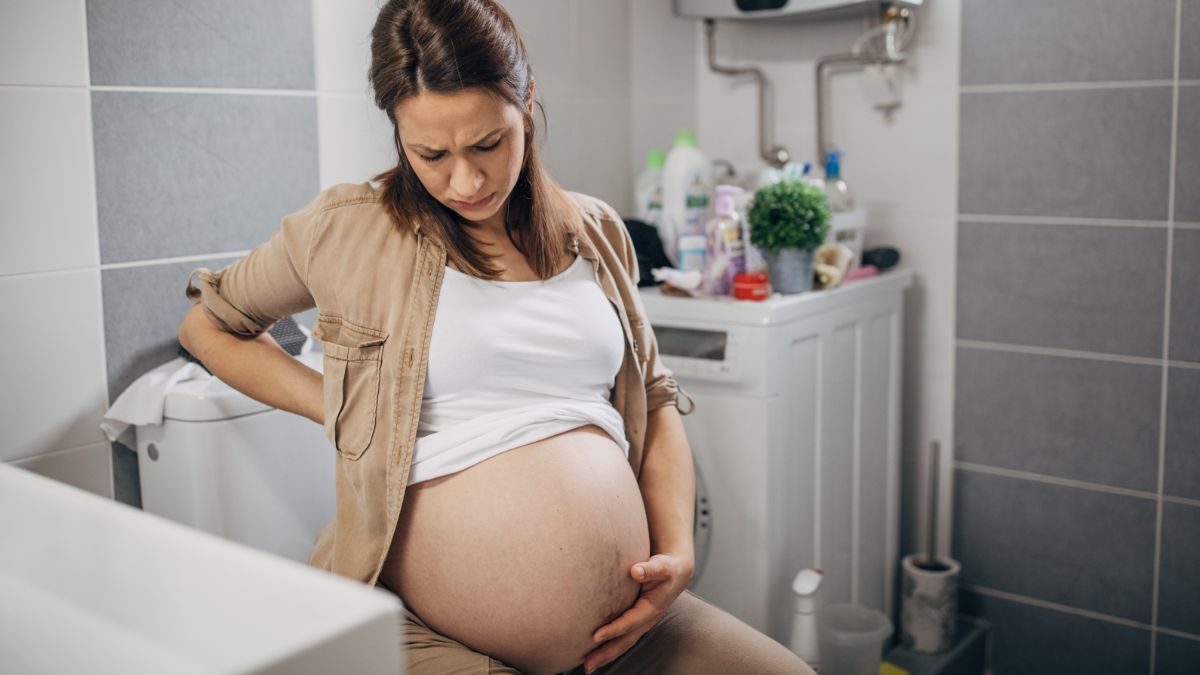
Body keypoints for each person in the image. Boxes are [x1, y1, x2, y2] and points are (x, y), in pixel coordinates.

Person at [178, 1, 813, 673]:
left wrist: (678, 551)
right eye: (431, 153)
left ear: (527, 102)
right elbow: (207, 323)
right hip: (426, 632)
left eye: (488, 143)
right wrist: (332, 401)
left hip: (634, 628)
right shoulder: (346, 229)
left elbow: (655, 404)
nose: (466, 180)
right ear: (397, 130)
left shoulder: (595, 231)